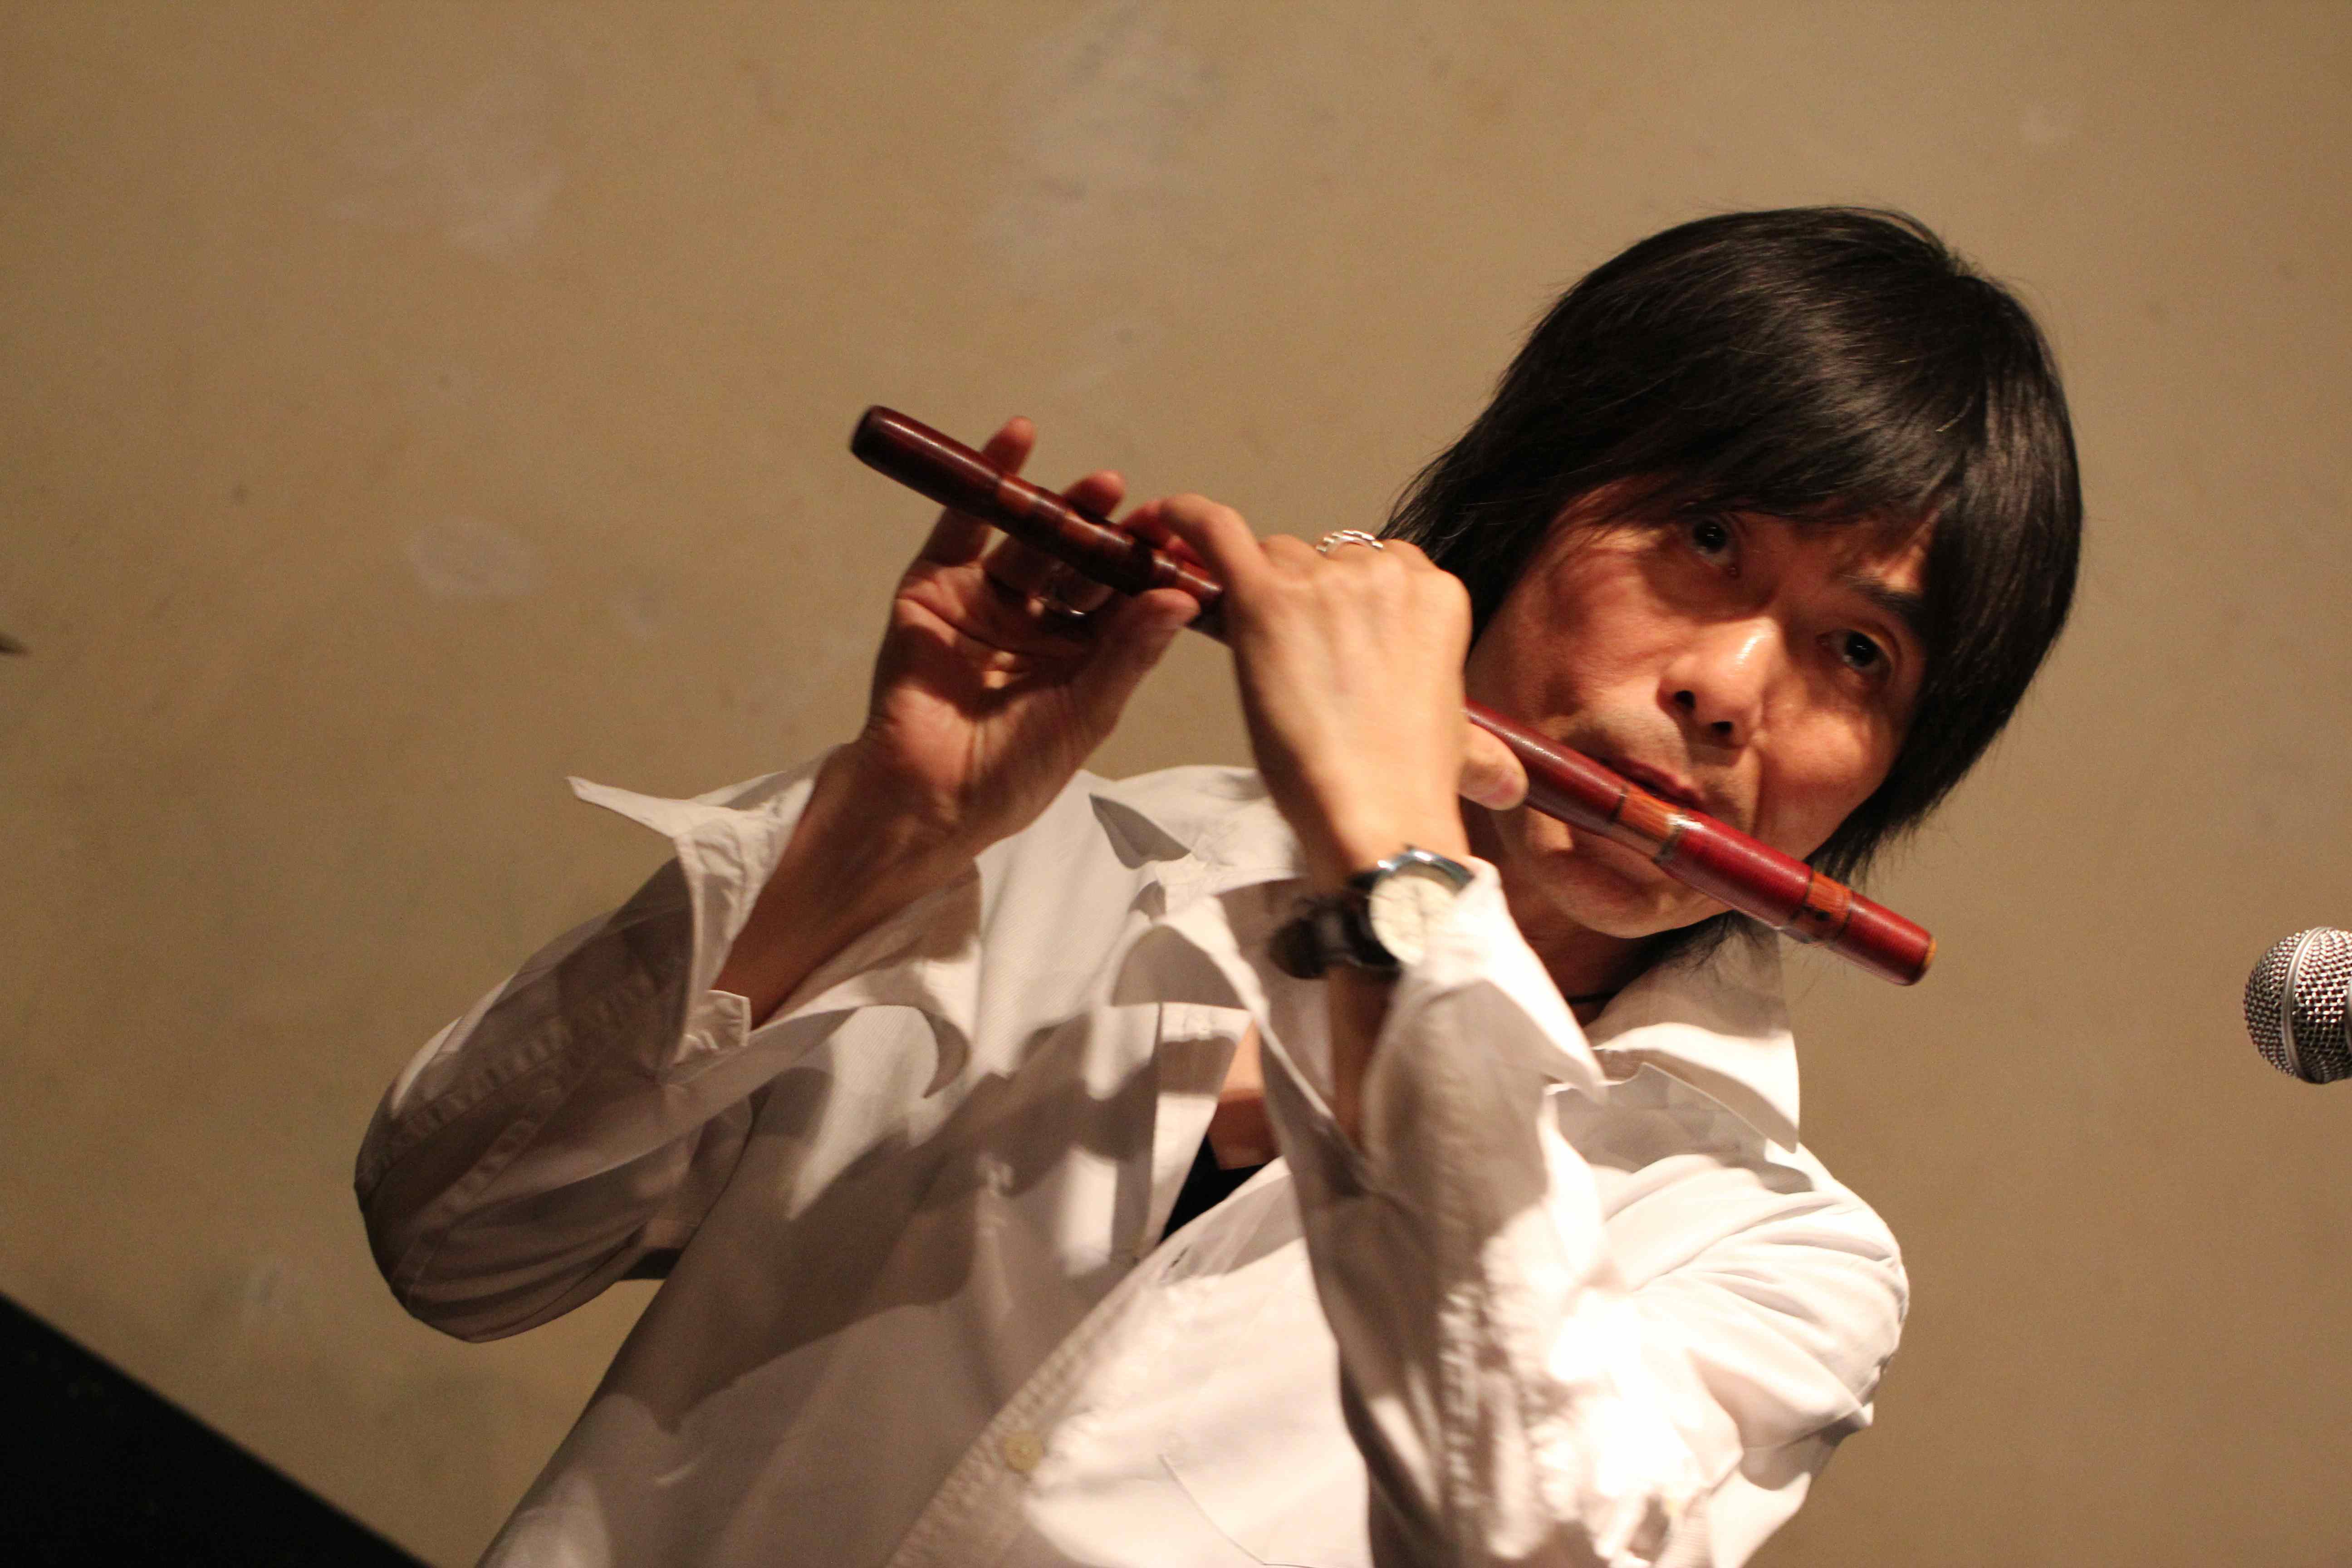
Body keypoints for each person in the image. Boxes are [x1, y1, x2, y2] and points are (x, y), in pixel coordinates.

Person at [358, 207, 2080, 1567]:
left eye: (1857, 652)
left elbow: (1527, 1536)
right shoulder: (1029, 876)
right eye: (1705, 543)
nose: (1726, 689)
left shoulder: (1772, 1251)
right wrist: (870, 837)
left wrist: (1393, 864)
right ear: (1520, 517)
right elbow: (452, 1242)